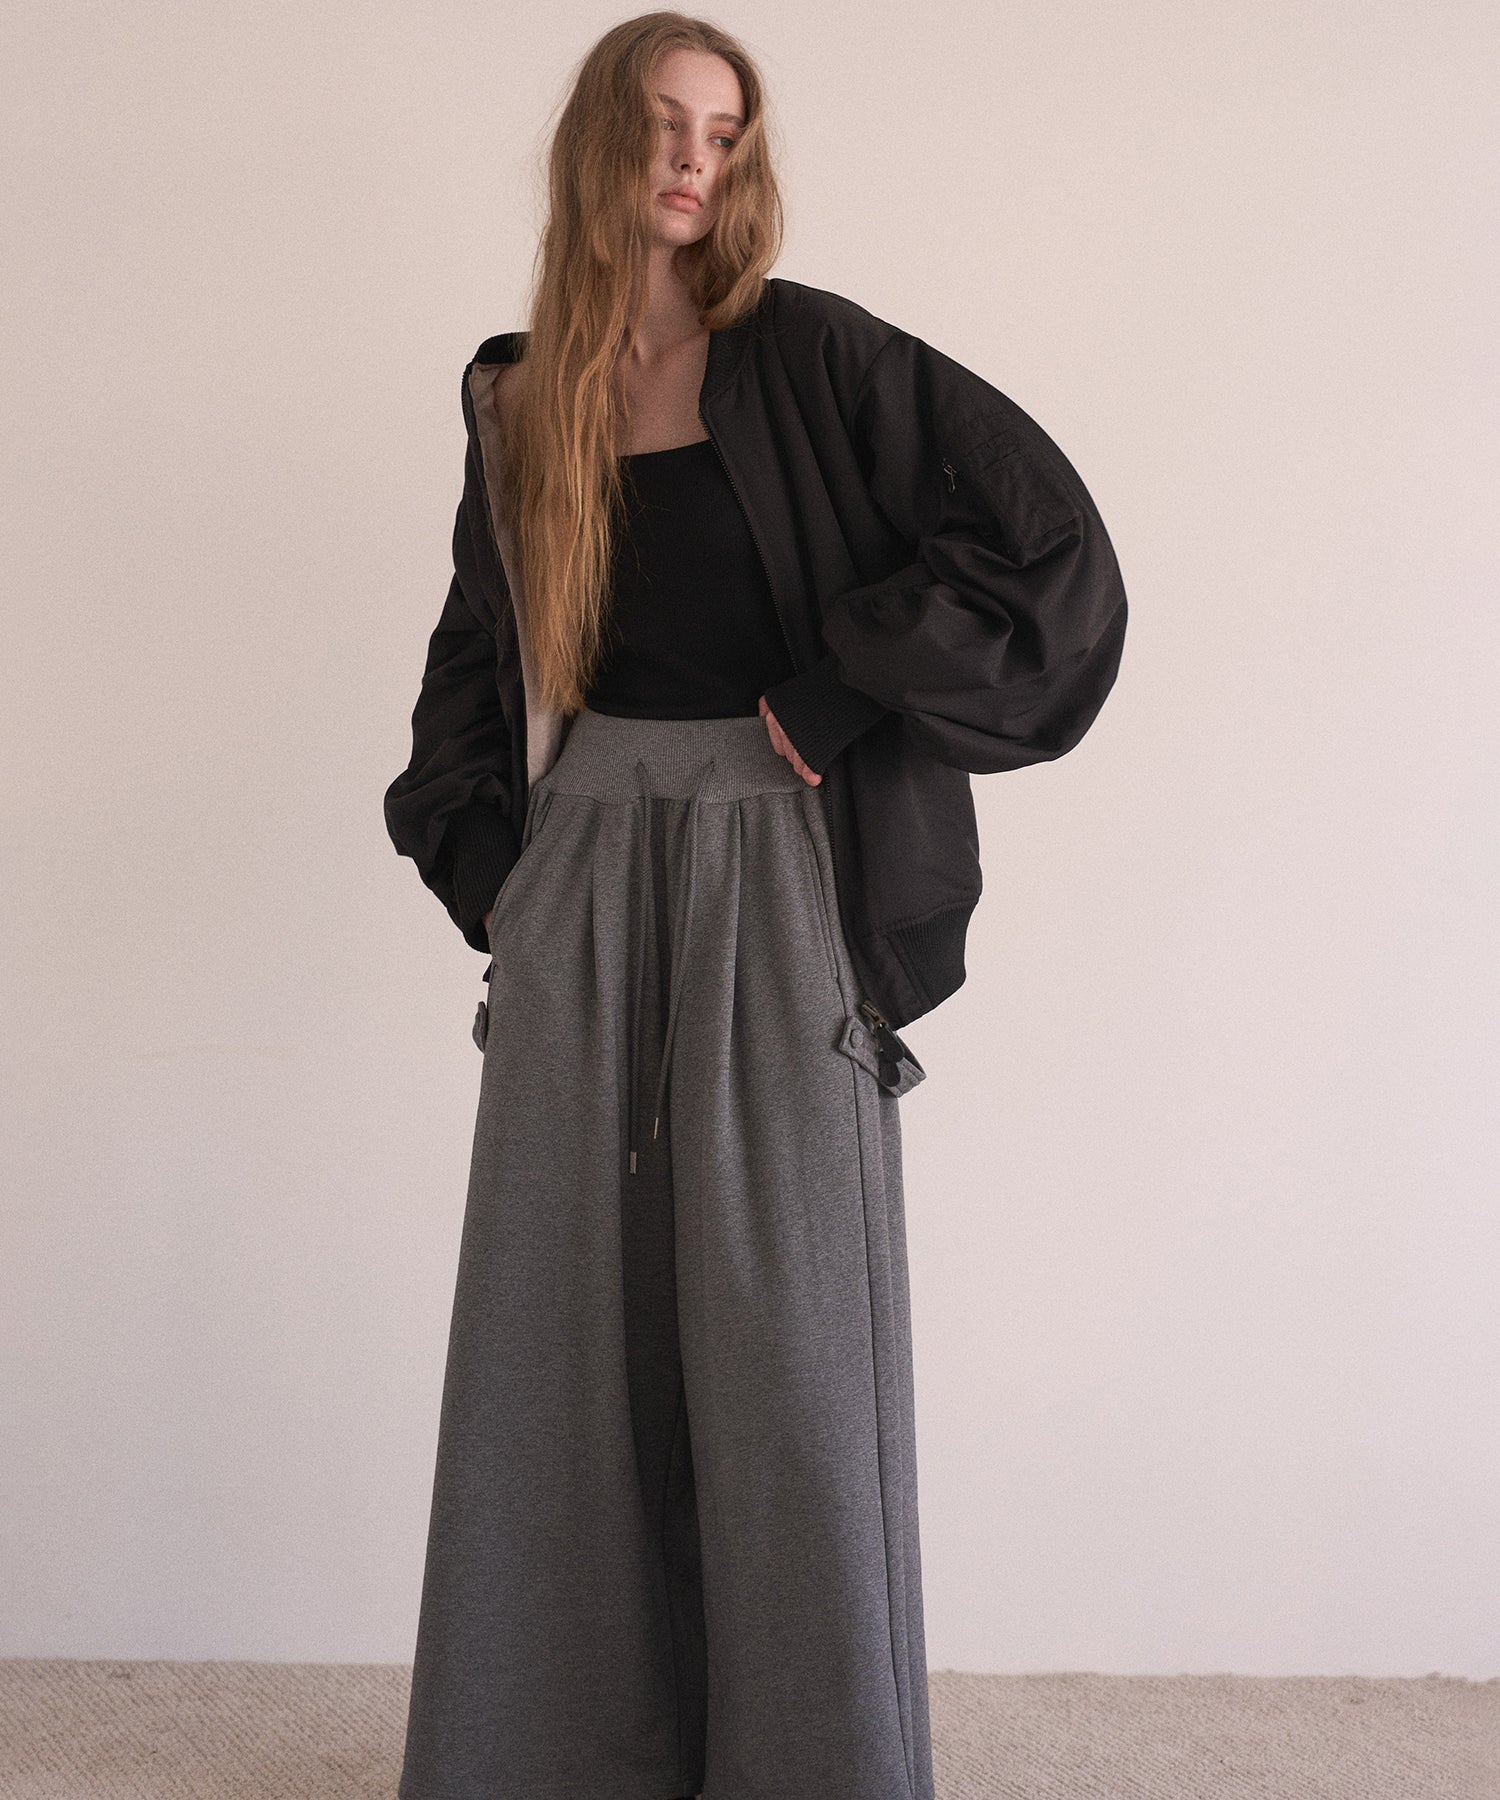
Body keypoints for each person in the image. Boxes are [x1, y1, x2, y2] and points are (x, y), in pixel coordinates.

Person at [383, 13, 1128, 1799]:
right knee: (559, 1350)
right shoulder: (518, 396)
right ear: (600, 140)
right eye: (664, 122)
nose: (693, 159)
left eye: (723, 132)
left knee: (791, 1344)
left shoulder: (808, 355)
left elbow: (1046, 543)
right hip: (580, 872)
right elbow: (475, 660)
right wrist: (501, 886)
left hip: (777, 865)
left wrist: (842, 690)